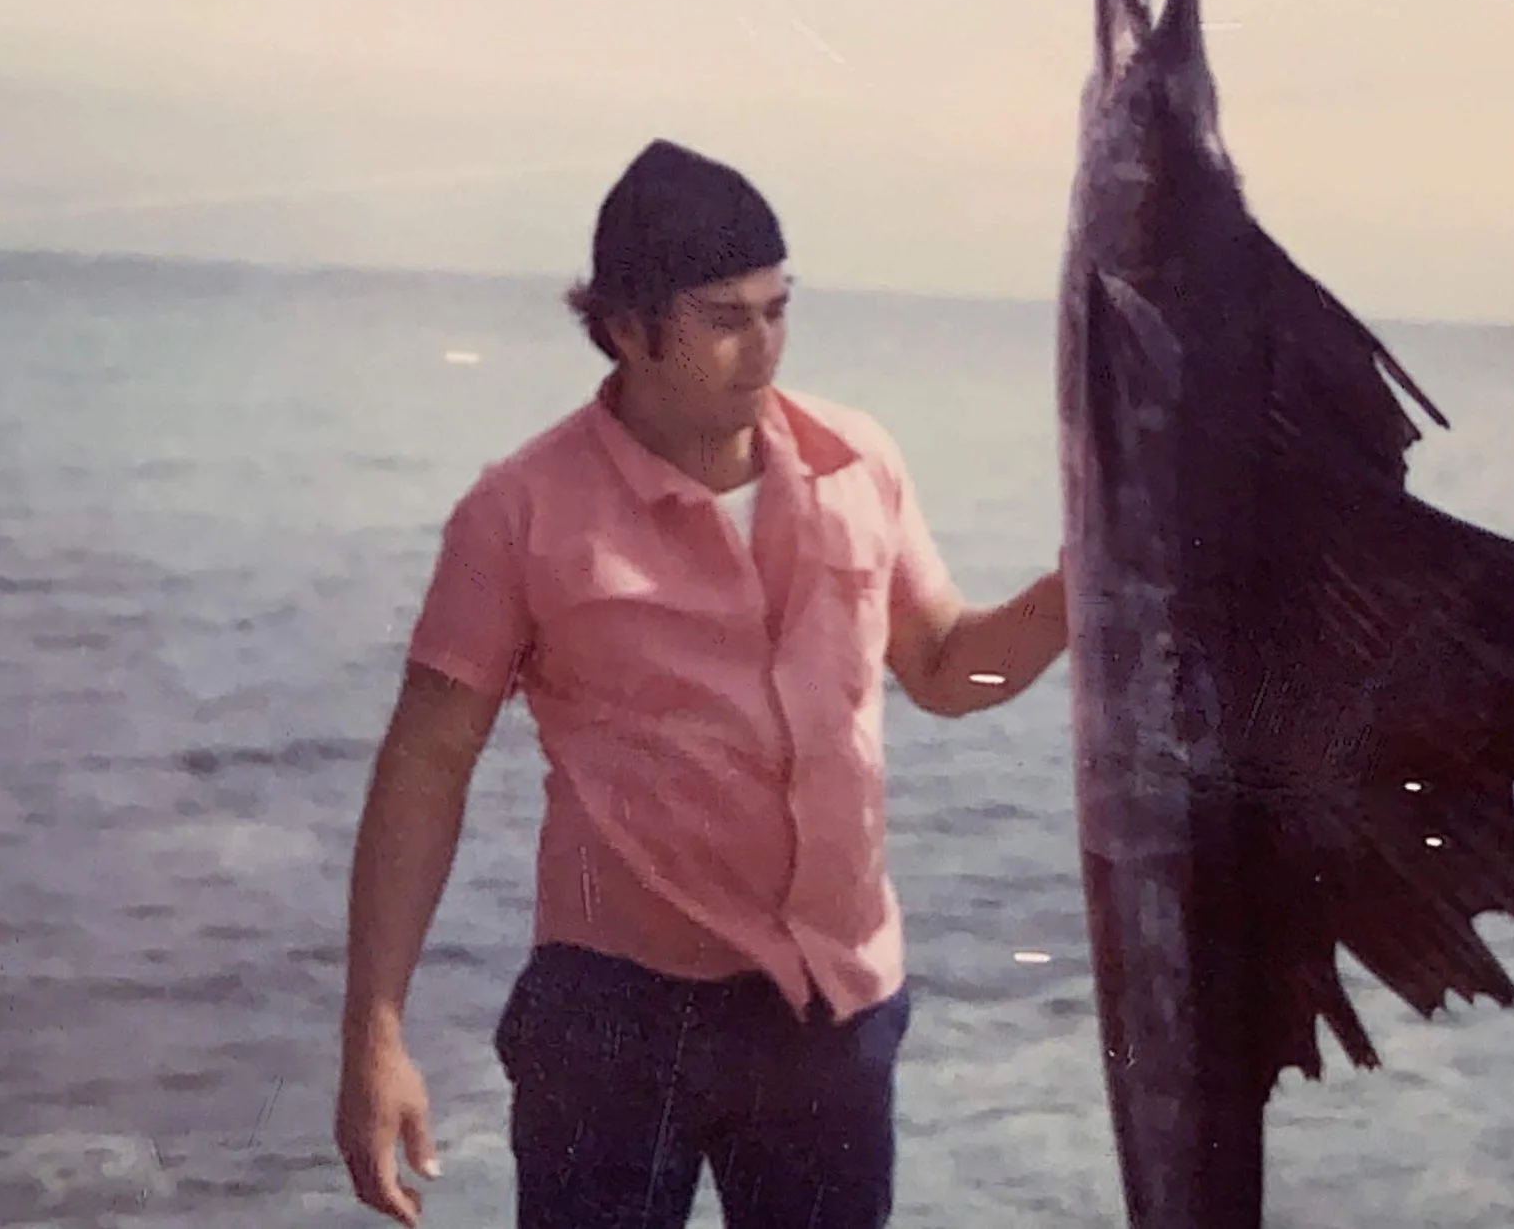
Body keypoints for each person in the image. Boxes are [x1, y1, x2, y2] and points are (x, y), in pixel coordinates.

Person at [333, 139, 1071, 1229]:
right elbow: (426, 764)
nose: (763, 345)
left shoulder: (857, 463)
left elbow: (947, 669)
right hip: (615, 1024)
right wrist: (375, 1036)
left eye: (778, 308)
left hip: (836, 1011)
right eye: (725, 317)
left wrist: (1083, 584)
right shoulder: (520, 508)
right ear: (626, 327)